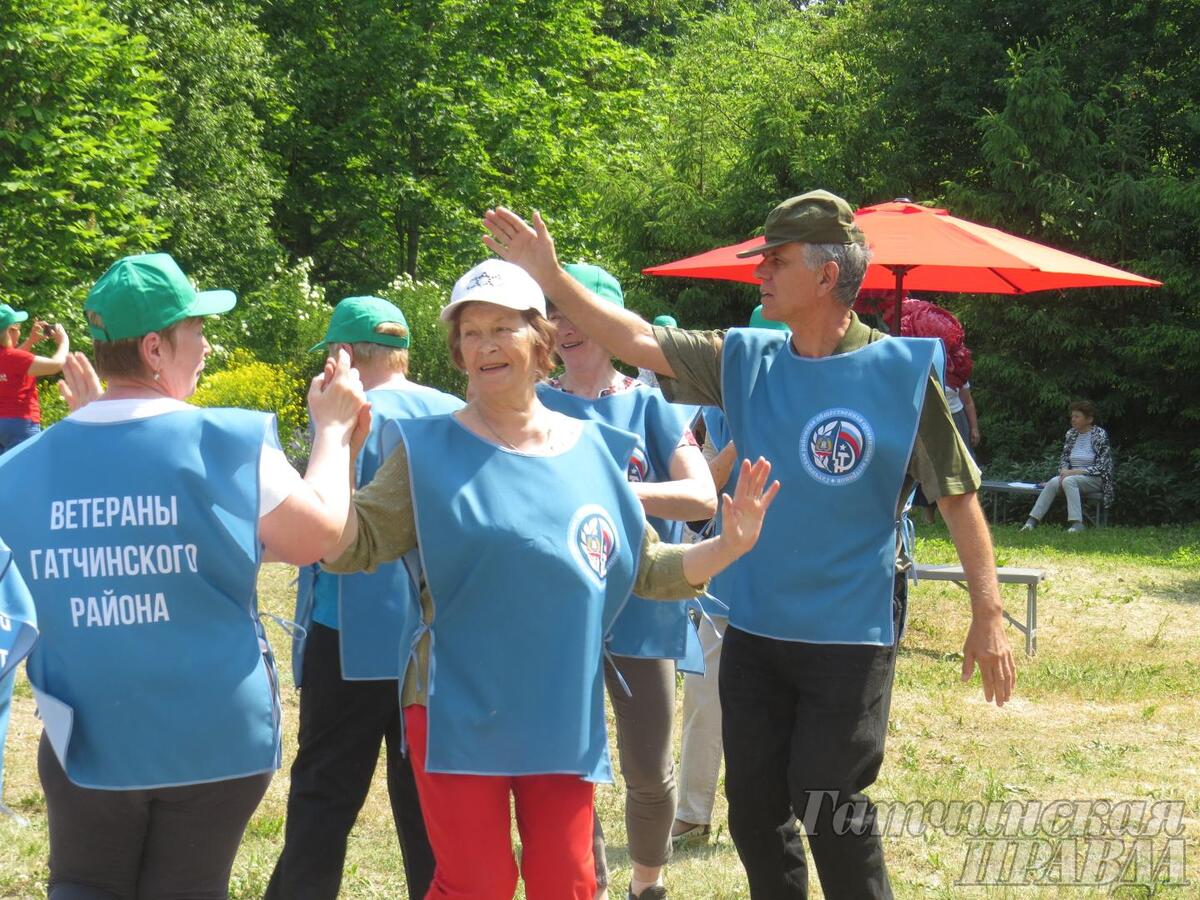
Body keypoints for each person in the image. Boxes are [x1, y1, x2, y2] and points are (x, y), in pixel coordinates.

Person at [482, 192, 1015, 900]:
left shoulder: (900, 374)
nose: (760, 270)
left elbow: (957, 494)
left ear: (827, 276)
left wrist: (989, 614)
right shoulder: (746, 356)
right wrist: (549, 275)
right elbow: (638, 340)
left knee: (829, 800)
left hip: (850, 632)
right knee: (756, 810)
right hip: (756, 626)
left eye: (777, 259)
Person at [321, 258, 779, 900]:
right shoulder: (424, 451)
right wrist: (336, 442)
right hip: (452, 704)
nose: (484, 345)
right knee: (476, 884)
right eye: (471, 332)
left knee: (566, 882)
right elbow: (346, 547)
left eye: (502, 328)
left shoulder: (594, 448)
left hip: (560, 708)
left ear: (539, 340)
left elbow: (649, 568)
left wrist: (728, 547)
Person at [0, 252, 368, 900]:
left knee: (83, 884)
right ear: (153, 348)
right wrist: (334, 433)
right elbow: (322, 538)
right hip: (214, 740)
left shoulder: (20, 469)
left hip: (81, 736)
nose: (205, 343)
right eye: (195, 328)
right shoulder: (226, 444)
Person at [267, 296, 456, 899]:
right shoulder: (456, 413)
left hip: (346, 634)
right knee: (431, 806)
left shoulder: (342, 418)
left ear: (341, 353)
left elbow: (318, 534)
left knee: (324, 796)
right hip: (434, 644)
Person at [540, 264, 717, 900]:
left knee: (647, 767)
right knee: (570, 768)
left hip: (643, 608)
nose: (564, 327)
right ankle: (592, 884)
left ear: (610, 322)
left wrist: (615, 492)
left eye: (576, 312)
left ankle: (649, 886)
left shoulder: (649, 404)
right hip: (559, 616)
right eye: (554, 313)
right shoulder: (535, 403)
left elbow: (700, 497)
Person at [672, 303, 788, 849]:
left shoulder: (821, 398)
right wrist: (748, 435)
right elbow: (702, 498)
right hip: (727, 574)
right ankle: (693, 812)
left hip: (793, 575)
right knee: (704, 694)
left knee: (789, 700)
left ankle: (788, 810)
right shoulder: (718, 409)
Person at [1021, 400, 1113, 533]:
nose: (1073, 419)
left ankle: (1077, 524)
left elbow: (1104, 467)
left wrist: (1074, 472)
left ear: (1089, 419)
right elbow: (1064, 458)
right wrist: (1064, 470)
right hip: (1072, 478)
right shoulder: (1071, 434)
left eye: (1077, 416)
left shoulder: (1099, 435)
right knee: (1052, 482)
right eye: (1072, 416)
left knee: (1069, 481)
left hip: (1095, 479)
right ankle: (1031, 522)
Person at [0, 303, 69, 454]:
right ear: (9, 331)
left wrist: (31, 341)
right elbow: (56, 365)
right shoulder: (15, 358)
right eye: (17, 328)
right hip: (20, 423)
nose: (19, 332)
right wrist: (64, 341)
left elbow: (10, 364)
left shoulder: (11, 358)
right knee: (24, 472)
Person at [637, 315, 678, 388]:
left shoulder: (683, 355)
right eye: (663, 333)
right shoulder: (647, 359)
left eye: (671, 333)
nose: (667, 337)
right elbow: (643, 382)